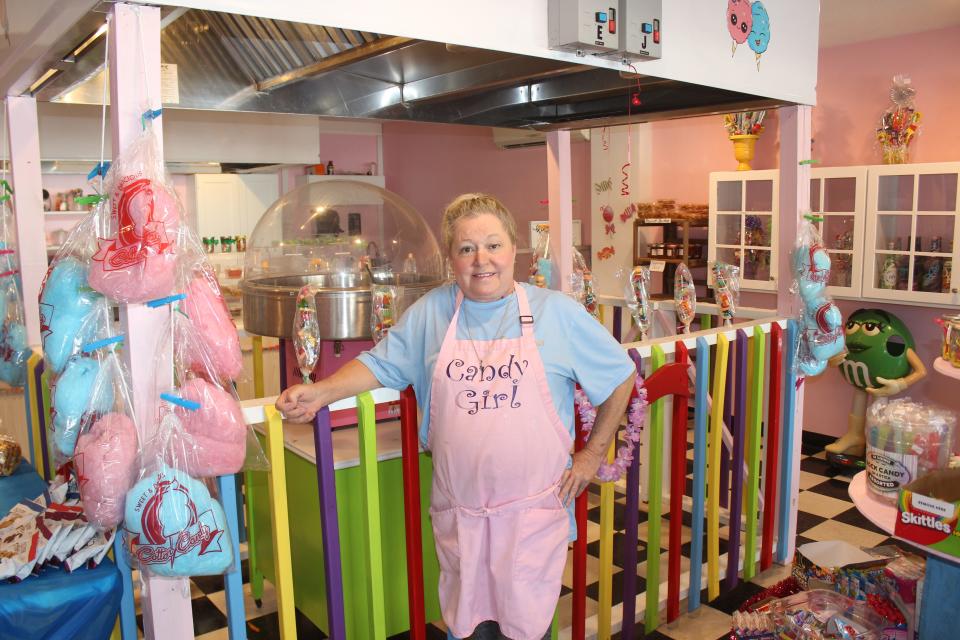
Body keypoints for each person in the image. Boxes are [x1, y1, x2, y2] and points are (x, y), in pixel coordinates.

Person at [277, 193, 635, 640]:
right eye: (466, 248)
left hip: (529, 517)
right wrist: (318, 393)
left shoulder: (555, 313)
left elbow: (620, 376)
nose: (481, 260)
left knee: (526, 631)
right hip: (460, 515)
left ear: (514, 250)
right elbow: (379, 364)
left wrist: (591, 456)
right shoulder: (433, 312)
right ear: (451, 259)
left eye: (493, 245)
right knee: (467, 631)